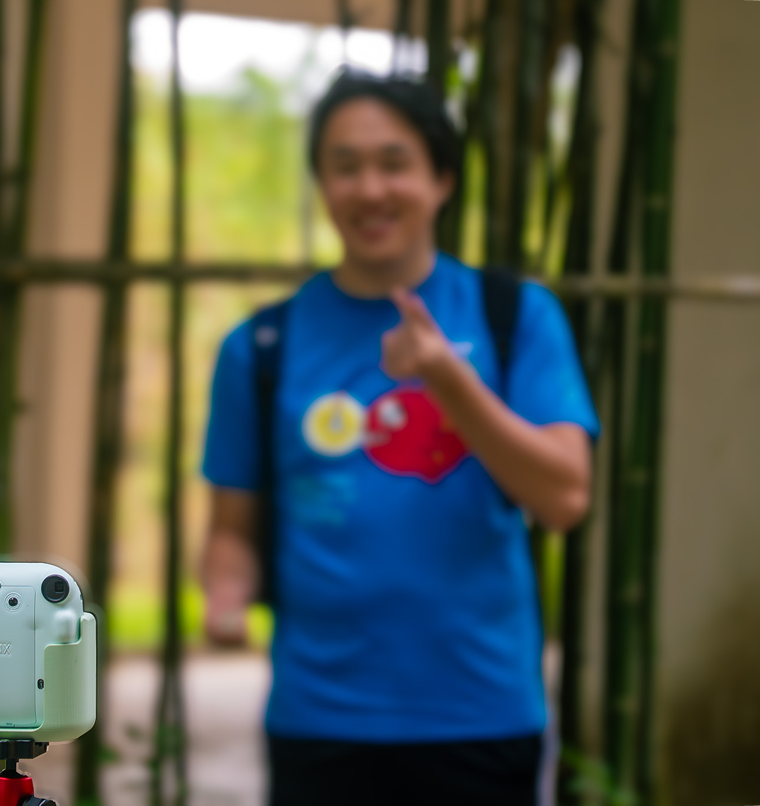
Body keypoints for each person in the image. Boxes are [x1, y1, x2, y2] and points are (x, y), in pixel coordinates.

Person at [199, 70, 599, 806]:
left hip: (480, 714)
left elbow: (564, 496)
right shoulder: (260, 346)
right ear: (322, 185)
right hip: (319, 719)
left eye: (394, 163)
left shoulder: (515, 316)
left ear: (442, 179)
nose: (370, 189)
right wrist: (226, 594)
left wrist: (447, 377)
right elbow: (232, 528)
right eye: (345, 167)